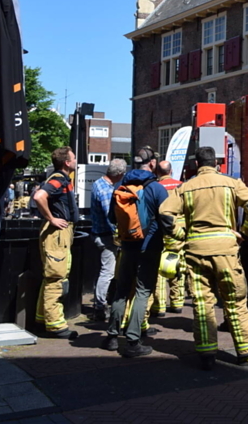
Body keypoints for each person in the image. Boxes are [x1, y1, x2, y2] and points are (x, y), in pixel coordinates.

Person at [171, 145, 248, 370]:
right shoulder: (231, 183)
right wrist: (245, 233)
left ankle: (206, 354)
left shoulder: (185, 188)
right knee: (235, 301)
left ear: (196, 164)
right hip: (226, 251)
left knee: (202, 304)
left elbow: (166, 215)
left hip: (196, 252)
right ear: (217, 163)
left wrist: (181, 235)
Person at [102, 147, 172, 357]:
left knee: (121, 290)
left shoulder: (121, 186)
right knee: (142, 292)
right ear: (152, 164)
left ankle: (112, 337)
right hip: (149, 247)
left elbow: (112, 218)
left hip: (127, 245)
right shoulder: (157, 188)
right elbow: (167, 220)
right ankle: (133, 341)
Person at [32, 146, 79, 339]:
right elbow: (39, 196)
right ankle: (56, 326)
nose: (76, 161)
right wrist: (51, 218)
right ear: (67, 162)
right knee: (56, 277)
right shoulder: (58, 179)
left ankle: (42, 318)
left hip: (60, 233)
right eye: (73, 158)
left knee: (51, 276)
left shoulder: (62, 179)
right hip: (57, 234)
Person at [90, 158, 127, 322]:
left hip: (98, 233)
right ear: (119, 174)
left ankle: (100, 302)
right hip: (106, 236)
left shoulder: (98, 183)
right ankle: (100, 306)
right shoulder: (106, 190)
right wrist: (120, 234)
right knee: (107, 272)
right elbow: (109, 217)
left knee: (102, 271)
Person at [152, 160, 185, 317]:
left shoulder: (155, 187)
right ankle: (177, 302)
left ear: (158, 172)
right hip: (179, 232)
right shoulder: (181, 186)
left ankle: (159, 306)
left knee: (159, 269)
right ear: (171, 171)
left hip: (161, 232)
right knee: (177, 266)